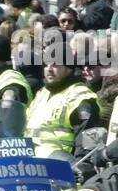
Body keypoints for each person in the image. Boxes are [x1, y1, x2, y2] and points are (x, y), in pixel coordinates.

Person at [25, 30, 102, 159]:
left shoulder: (80, 98)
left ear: (69, 68)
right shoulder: (42, 94)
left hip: (62, 169)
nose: (49, 69)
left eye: (55, 64)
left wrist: (80, 168)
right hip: (31, 165)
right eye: (46, 64)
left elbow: (86, 151)